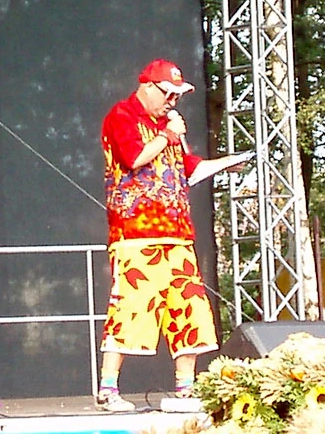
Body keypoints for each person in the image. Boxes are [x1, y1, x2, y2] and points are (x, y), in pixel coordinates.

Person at [96, 59, 245, 413]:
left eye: (178, 97)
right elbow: (133, 158)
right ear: (148, 86)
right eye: (168, 94)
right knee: (131, 308)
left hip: (178, 234)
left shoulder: (169, 127)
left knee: (189, 307)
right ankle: (108, 389)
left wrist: (225, 164)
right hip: (137, 234)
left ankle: (185, 388)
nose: (172, 102)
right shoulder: (122, 116)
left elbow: (188, 169)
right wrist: (168, 135)